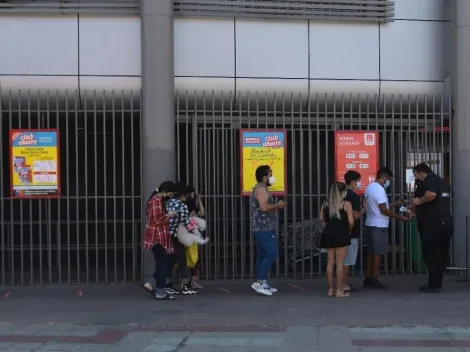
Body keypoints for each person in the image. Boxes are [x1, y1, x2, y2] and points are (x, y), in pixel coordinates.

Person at [363, 167, 409, 289]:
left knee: (370, 253)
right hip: (379, 225)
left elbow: (382, 206)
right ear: (384, 178)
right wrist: (400, 218)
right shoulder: (379, 189)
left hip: (370, 223)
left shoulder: (369, 187)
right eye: (388, 179)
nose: (388, 182)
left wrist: (397, 202)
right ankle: (374, 278)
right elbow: (383, 210)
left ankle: (368, 278)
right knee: (378, 253)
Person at [410, 163, 452, 293]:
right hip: (445, 223)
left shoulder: (429, 180)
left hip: (432, 225)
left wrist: (419, 201)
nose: (416, 178)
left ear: (420, 173)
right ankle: (436, 283)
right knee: (440, 255)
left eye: (416, 175)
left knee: (431, 255)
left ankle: (433, 285)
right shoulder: (442, 181)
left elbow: (431, 195)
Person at [250, 165, 286, 296]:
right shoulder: (261, 189)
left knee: (262, 255)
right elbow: (263, 208)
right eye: (270, 174)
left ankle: (262, 282)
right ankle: (260, 282)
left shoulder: (261, 188)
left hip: (260, 227)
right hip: (263, 227)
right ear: (264, 177)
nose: (272, 177)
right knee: (272, 252)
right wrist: (278, 205)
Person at [142, 181, 178, 300]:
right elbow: (157, 219)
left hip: (157, 236)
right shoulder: (156, 201)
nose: (170, 197)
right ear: (165, 191)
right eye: (171, 194)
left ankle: (152, 284)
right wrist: (169, 215)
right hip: (157, 237)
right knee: (162, 265)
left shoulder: (157, 200)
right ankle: (160, 291)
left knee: (161, 264)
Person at [320, 182, 355, 298]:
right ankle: (339, 291)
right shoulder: (346, 204)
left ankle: (331, 289)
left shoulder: (325, 203)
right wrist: (349, 230)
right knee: (340, 264)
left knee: (330, 262)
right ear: (343, 191)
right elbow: (351, 221)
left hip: (328, 235)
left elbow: (322, 219)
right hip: (341, 234)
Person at [165, 184, 198, 295]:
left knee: (170, 260)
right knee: (182, 259)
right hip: (177, 236)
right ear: (183, 196)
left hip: (167, 236)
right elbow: (185, 223)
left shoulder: (169, 204)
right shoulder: (182, 206)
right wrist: (193, 228)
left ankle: (167, 283)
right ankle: (184, 285)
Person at [343, 170, 366, 292]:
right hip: (350, 233)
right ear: (352, 181)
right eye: (358, 180)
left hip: (338, 231)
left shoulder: (338, 194)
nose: (358, 183)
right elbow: (355, 216)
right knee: (347, 261)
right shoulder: (354, 197)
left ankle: (336, 285)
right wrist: (364, 208)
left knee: (338, 260)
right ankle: (344, 284)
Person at [185, 187, 206, 289]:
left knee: (195, 260)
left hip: (195, 237)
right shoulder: (184, 207)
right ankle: (186, 282)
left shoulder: (194, 207)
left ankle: (193, 282)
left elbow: (202, 213)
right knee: (188, 260)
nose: (193, 195)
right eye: (192, 194)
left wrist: (199, 199)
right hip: (187, 237)